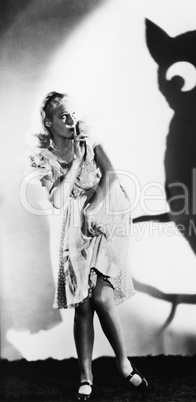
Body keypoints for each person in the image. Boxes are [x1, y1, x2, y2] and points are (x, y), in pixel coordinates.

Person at [28, 91, 148, 400]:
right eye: (63, 117)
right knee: (82, 304)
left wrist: (93, 209)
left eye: (72, 114)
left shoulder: (88, 137)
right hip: (75, 223)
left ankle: (124, 366)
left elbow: (111, 175)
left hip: (108, 210)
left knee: (102, 297)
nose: (70, 121)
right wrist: (77, 162)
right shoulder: (45, 156)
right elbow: (56, 199)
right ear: (49, 122)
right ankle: (86, 376)